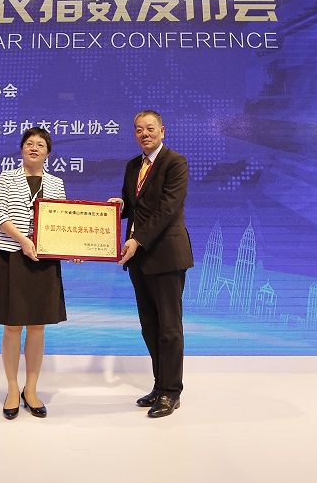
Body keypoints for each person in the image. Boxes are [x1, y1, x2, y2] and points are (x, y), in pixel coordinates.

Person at [109, 110, 194, 418]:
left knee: (169, 327)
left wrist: (137, 239)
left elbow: (167, 209)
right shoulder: (133, 165)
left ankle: (172, 392)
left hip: (167, 255)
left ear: (162, 130)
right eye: (138, 130)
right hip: (139, 258)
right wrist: (116, 208)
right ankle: (160, 386)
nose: (144, 134)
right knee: (149, 326)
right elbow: (134, 207)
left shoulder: (175, 162)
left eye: (149, 128)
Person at [0, 127, 67, 420]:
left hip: (43, 259)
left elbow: (61, 223)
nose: (34, 148)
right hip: (11, 256)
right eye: (29, 143)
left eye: (40, 144)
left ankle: (31, 389)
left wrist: (73, 248)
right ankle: (12, 388)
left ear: (48, 152)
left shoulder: (56, 184)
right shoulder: (7, 178)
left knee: (38, 326)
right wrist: (23, 240)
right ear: (21, 149)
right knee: (12, 326)